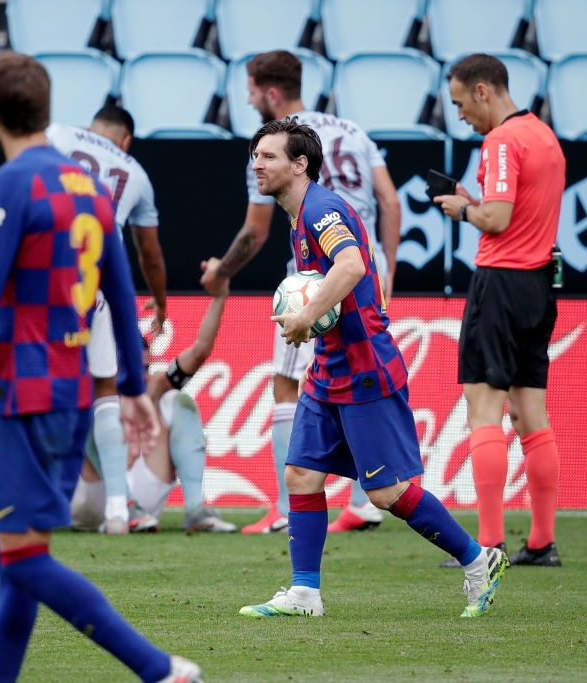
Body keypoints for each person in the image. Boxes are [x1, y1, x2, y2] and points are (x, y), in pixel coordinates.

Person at [0, 51, 202, 683]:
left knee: (23, 561)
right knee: (15, 557)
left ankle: (159, 669)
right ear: (47, 106)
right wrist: (128, 387)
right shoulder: (90, 188)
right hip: (70, 398)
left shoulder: (13, 181)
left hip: (21, 395)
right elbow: (121, 289)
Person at [236, 118, 507, 619]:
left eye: (268, 156)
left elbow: (354, 264)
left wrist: (305, 315)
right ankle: (304, 593)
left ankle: (478, 560)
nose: (257, 164)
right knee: (299, 474)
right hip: (329, 368)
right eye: (255, 155)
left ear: (300, 164)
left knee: (386, 492)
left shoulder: (320, 209)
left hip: (365, 369)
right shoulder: (297, 216)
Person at [201, 50, 401, 535]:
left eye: (251, 92)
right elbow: (390, 200)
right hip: (367, 271)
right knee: (356, 379)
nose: (249, 101)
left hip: (317, 276)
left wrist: (221, 273)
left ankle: (286, 508)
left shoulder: (277, 147)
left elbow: (254, 232)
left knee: (287, 385)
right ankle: (364, 502)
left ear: (271, 93)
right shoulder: (352, 130)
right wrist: (386, 266)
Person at [434, 53, 565, 568]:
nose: (460, 115)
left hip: (501, 284)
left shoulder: (502, 141)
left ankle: (487, 545)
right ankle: (542, 542)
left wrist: (463, 208)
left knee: (483, 409)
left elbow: (498, 217)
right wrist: (478, 200)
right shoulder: (544, 136)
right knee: (531, 411)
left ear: (484, 91)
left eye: (461, 103)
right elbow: (523, 210)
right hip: (539, 285)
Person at [46, 105, 169, 534]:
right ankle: (119, 508)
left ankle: (13, 500)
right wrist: (161, 303)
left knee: (32, 381)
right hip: (95, 279)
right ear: (126, 141)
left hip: (45, 268)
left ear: (90, 128)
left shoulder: (58, 134)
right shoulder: (135, 172)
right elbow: (149, 252)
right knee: (106, 391)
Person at [71, 260, 236, 534]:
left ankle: (196, 508)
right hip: (93, 499)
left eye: (146, 367)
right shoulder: (93, 378)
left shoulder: (153, 386)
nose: (143, 375)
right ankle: (123, 501)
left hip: (144, 493)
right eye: (136, 369)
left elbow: (199, 352)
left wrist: (220, 296)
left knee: (178, 402)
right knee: (92, 407)